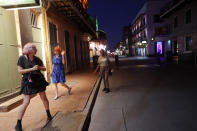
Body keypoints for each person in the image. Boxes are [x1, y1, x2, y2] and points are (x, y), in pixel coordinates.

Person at [15, 43, 52, 131]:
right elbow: (20, 71)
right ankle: (18, 123)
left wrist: (39, 67)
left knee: (44, 98)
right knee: (26, 102)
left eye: (35, 49)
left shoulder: (37, 59)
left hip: (38, 81)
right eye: (34, 49)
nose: (35, 50)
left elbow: (44, 68)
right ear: (29, 51)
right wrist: (32, 69)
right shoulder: (22, 59)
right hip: (28, 82)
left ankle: (48, 114)